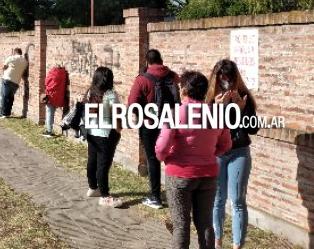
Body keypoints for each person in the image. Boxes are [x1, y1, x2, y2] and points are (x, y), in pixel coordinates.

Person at [155, 71, 232, 249]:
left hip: (179, 174)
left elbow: (161, 147)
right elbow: (226, 144)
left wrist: (165, 159)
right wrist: (209, 155)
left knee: (181, 225)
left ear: (183, 91)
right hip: (208, 174)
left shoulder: (175, 113)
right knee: (205, 223)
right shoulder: (217, 114)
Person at [207, 59, 260, 249]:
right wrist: (218, 108)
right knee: (218, 199)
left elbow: (253, 129)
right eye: (222, 80)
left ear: (235, 79)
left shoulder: (244, 96)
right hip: (218, 152)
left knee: (237, 200)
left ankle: (237, 246)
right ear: (216, 79)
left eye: (229, 80)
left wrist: (242, 109)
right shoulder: (211, 98)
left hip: (239, 151)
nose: (226, 84)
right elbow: (205, 129)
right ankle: (217, 242)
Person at [127, 48, 180, 209]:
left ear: (147, 62)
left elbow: (132, 103)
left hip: (149, 124)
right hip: (171, 122)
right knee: (174, 157)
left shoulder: (142, 80)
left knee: (153, 159)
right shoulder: (173, 76)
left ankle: (155, 197)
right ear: (161, 60)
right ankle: (179, 194)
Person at [84, 67, 123, 208]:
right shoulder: (110, 94)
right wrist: (118, 129)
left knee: (92, 161)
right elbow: (117, 113)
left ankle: (93, 188)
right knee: (103, 165)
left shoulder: (90, 92)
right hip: (106, 134)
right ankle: (105, 196)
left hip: (92, 132)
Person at [0, 48, 29, 118]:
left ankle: (3, 114)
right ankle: (8, 113)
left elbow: (4, 67)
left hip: (7, 78)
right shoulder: (25, 61)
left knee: (4, 96)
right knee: (11, 97)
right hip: (16, 81)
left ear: (14, 52)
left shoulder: (11, 58)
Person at [42, 64, 69, 137]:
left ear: (54, 68)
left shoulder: (52, 73)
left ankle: (49, 131)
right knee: (52, 112)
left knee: (49, 113)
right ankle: (52, 129)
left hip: (50, 96)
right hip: (59, 96)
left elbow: (46, 82)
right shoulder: (64, 74)